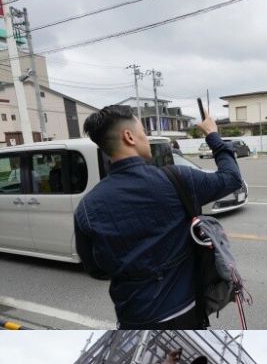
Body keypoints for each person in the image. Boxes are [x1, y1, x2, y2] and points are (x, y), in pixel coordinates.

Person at [74, 104, 242, 329]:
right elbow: (231, 178)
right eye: (143, 131)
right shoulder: (177, 180)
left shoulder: (87, 206)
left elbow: (96, 269)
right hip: (185, 309)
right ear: (129, 136)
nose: (146, 137)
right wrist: (212, 134)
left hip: (132, 316)